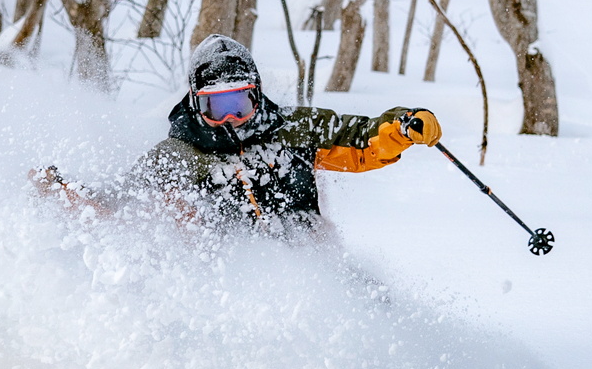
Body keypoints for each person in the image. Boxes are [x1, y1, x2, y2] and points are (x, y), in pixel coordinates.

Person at [33, 34, 443, 232]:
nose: (231, 118)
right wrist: (70, 195)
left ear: (257, 96)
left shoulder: (291, 130)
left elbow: (360, 139)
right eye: (218, 106)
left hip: (308, 258)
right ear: (196, 102)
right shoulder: (180, 153)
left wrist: (402, 125)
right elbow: (125, 201)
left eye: (240, 104)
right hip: (233, 270)